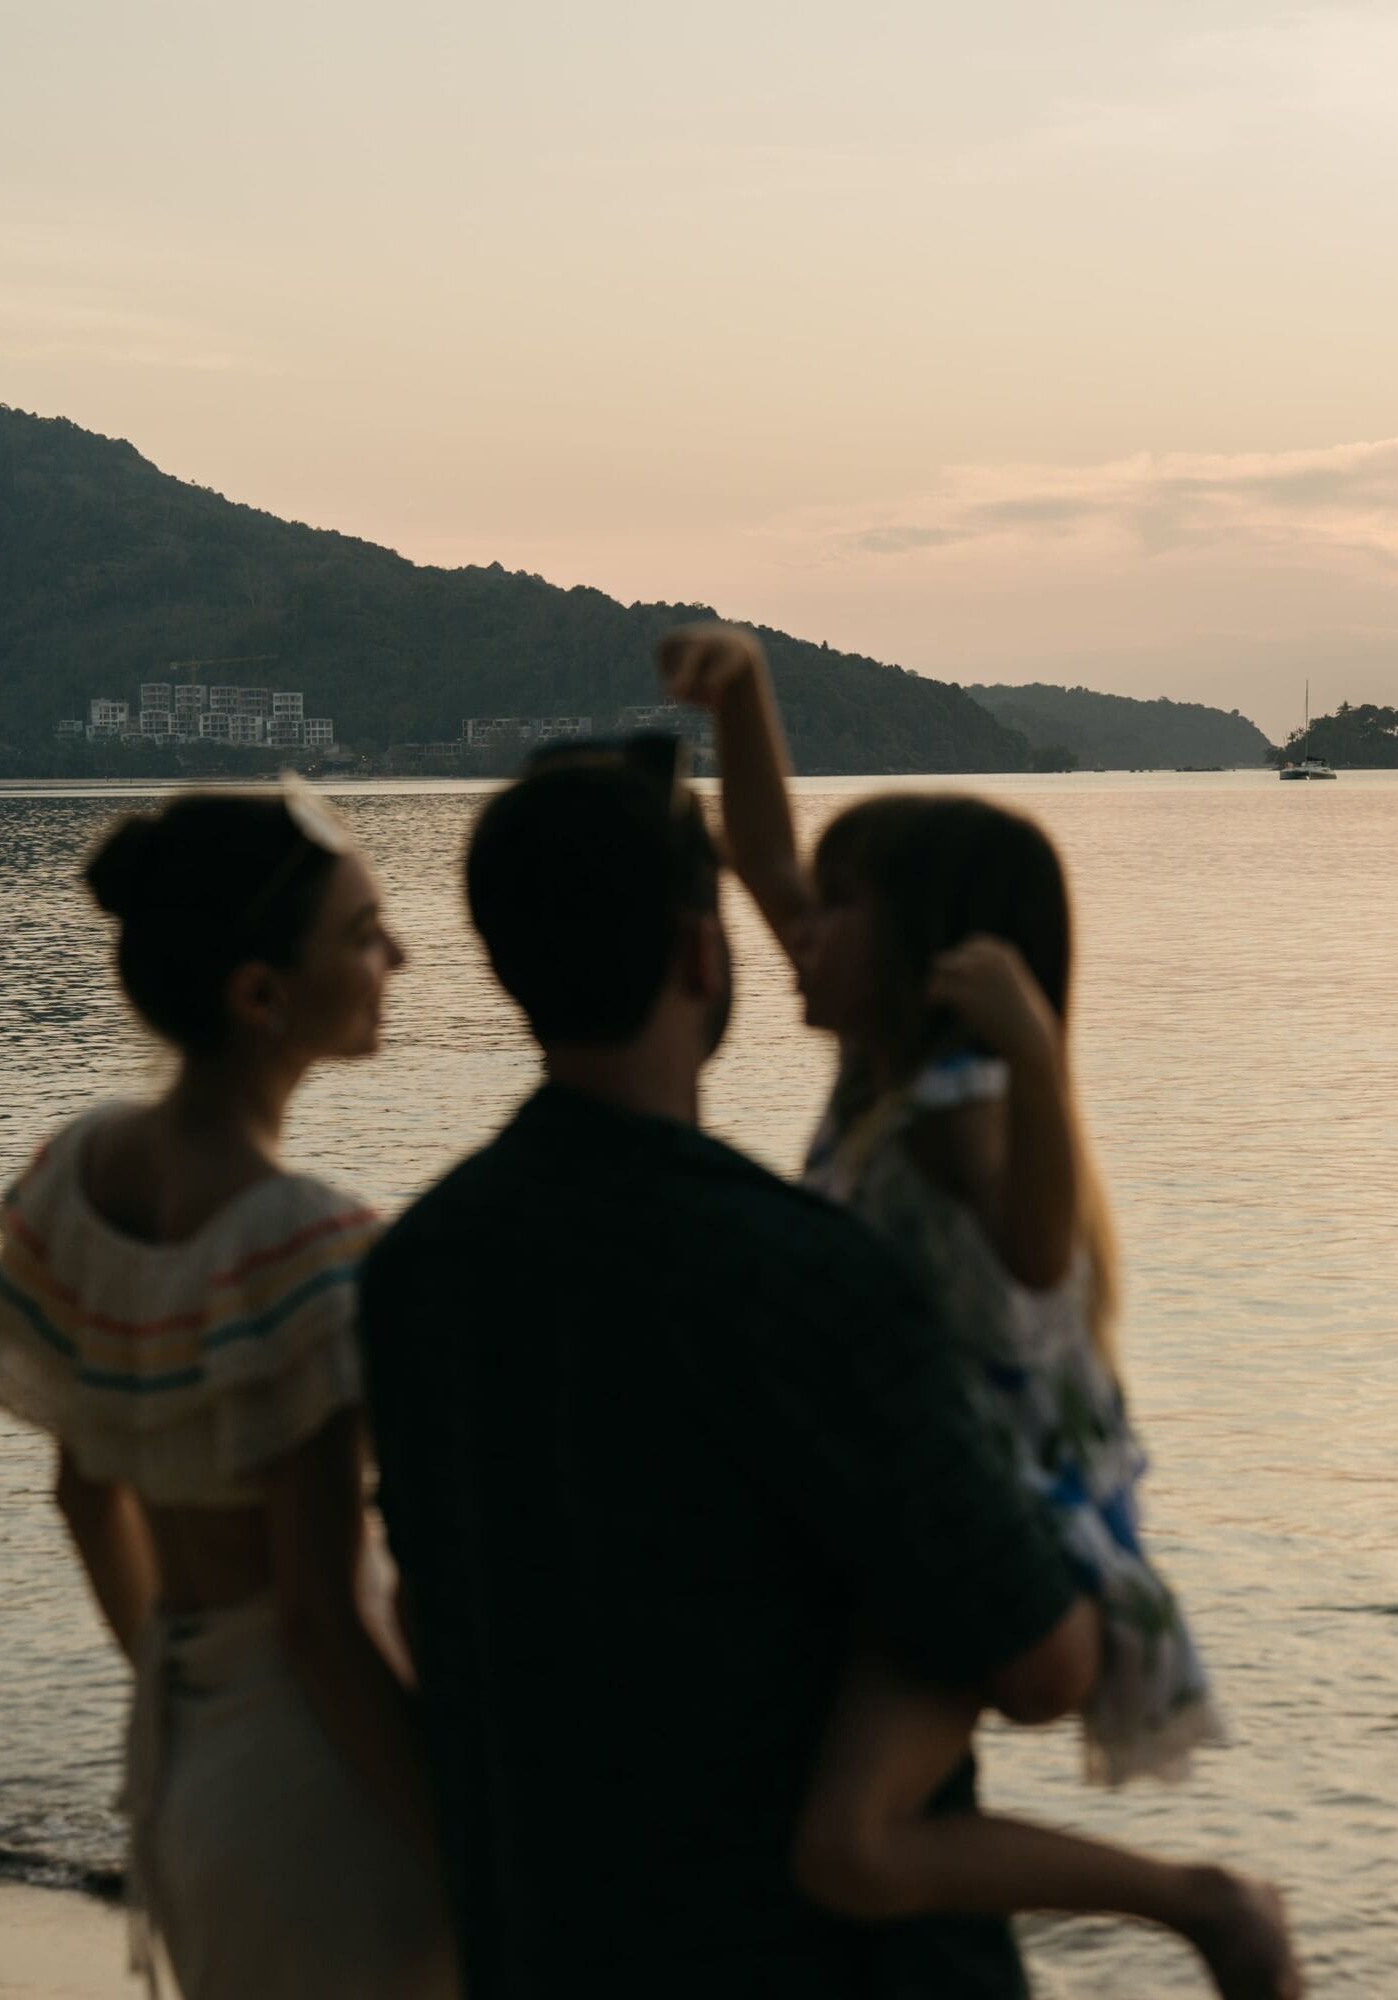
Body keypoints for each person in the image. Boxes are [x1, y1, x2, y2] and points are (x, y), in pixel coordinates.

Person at [356, 740, 1107, 1996]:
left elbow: (430, 1620)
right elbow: (1039, 1661)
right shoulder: (802, 1274)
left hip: (551, 1946)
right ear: (705, 958)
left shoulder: (416, 1267)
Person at [662, 627, 1301, 1999]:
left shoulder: (964, 1111)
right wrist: (746, 694)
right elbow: (769, 861)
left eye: (838, 914)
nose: (794, 929)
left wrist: (1037, 1053)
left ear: (927, 955)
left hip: (989, 1517)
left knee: (856, 1847)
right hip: (921, 1499)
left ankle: (1206, 1905)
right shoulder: (875, 1075)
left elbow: (1030, 1259)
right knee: (852, 1834)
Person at [0, 779, 451, 2000]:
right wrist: (468, 1851)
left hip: (185, 1759)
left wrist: (180, 1696)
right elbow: (318, 1617)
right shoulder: (305, 1246)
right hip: (322, 1788)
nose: (396, 953)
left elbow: (86, 1498)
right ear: (259, 994)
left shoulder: (75, 1178)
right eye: (361, 932)